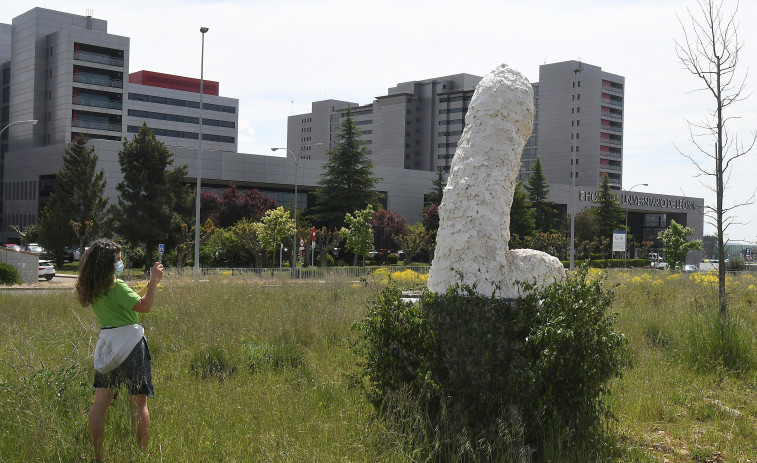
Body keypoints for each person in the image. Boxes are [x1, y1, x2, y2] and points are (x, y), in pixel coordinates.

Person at [75, 238, 164, 461]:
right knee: (138, 403)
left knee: (99, 405)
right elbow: (145, 306)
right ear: (108, 263)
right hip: (131, 345)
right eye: (118, 259)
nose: (120, 261)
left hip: (107, 346)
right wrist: (154, 281)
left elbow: (128, 301)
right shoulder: (116, 286)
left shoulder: (93, 286)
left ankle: (99, 456)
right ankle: (141, 455)